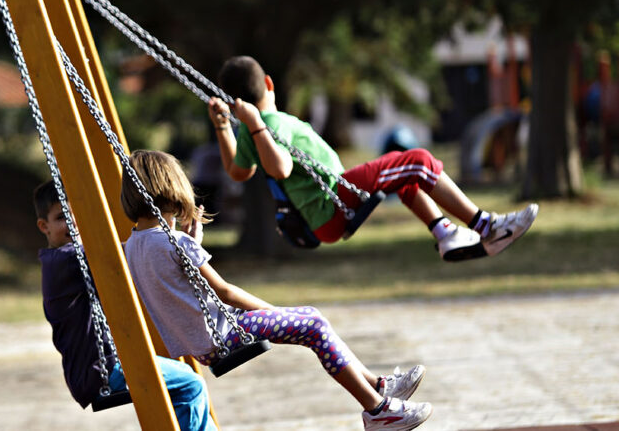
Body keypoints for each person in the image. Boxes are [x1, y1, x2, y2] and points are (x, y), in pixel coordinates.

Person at [119, 150, 432, 431]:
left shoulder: (132, 246)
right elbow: (224, 292)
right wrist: (273, 311)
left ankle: (379, 386)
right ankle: (378, 410)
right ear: (171, 187)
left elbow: (170, 276)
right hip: (225, 333)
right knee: (313, 323)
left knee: (313, 318)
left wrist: (190, 243)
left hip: (200, 342)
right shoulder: (177, 243)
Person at [208, 55, 539, 261]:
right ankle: (486, 225)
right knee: (418, 160)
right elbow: (279, 168)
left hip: (328, 210)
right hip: (332, 202)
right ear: (269, 83)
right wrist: (252, 124)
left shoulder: (254, 132)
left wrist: (223, 127)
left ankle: (445, 233)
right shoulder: (269, 125)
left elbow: (237, 172)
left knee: (404, 173)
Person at [33, 181, 217, 430]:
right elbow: (136, 253)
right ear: (44, 226)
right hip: (102, 369)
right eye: (62, 217)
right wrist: (183, 244)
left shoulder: (65, 258)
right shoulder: (67, 259)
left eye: (77, 214)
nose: (73, 222)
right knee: (190, 384)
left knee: (182, 388)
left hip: (98, 368)